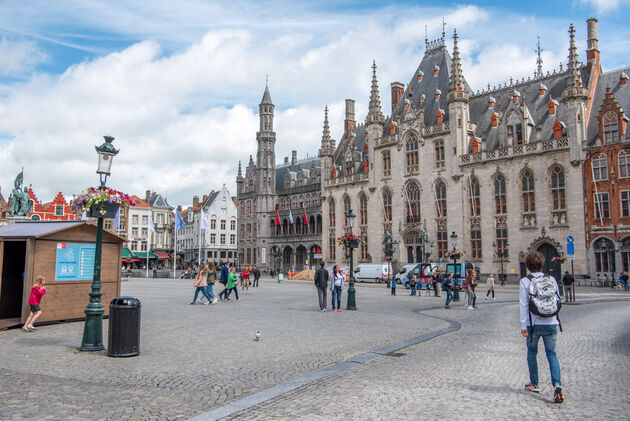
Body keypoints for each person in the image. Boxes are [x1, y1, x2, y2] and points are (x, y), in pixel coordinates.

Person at [520, 250, 564, 403]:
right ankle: (557, 386)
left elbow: (524, 305)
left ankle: (534, 384)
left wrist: (523, 326)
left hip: (533, 324)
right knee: (552, 354)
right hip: (551, 322)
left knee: (532, 352)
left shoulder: (525, 281)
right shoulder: (551, 278)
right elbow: (558, 300)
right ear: (542, 264)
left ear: (528, 265)